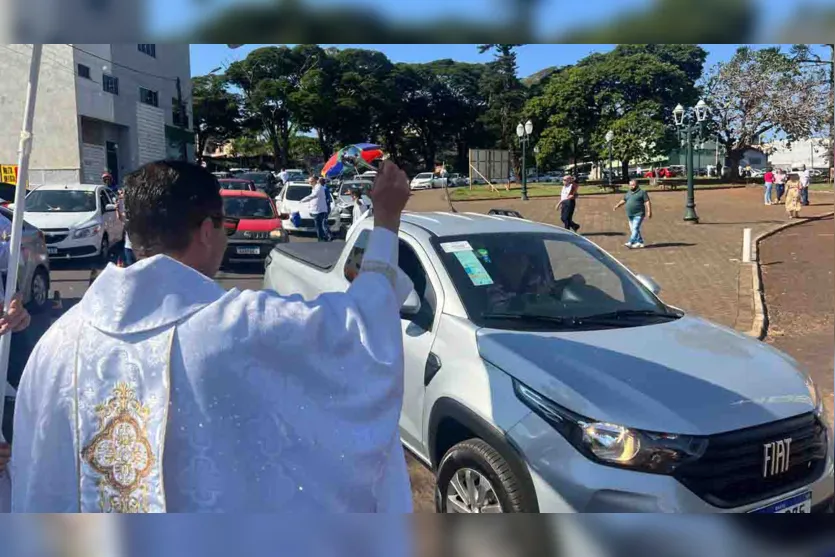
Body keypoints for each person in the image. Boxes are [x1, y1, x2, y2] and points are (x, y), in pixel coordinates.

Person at [10, 159, 415, 513]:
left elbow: (36, 472)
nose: (226, 236)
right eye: (226, 225)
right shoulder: (243, 326)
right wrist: (385, 222)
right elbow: (363, 325)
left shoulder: (59, 343)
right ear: (206, 229)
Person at [612, 179, 652, 248]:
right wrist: (617, 205)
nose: (631, 186)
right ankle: (640, 242)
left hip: (639, 214)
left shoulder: (642, 192)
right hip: (630, 214)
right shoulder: (628, 193)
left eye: (633, 185)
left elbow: (647, 202)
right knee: (634, 229)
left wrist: (649, 211)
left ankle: (631, 241)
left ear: (637, 185)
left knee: (635, 228)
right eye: (630, 185)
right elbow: (624, 200)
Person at [301, 175, 330, 242]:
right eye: (309, 182)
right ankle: (321, 239)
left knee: (321, 226)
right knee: (318, 226)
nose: (310, 183)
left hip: (320, 211)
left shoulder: (318, 187)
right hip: (315, 210)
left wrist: (303, 200)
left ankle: (323, 239)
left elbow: (313, 196)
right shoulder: (314, 188)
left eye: (311, 181)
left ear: (315, 181)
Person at [115, 188, 135, 266]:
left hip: (138, 248)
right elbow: (120, 217)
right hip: (129, 247)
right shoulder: (127, 218)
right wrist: (117, 209)